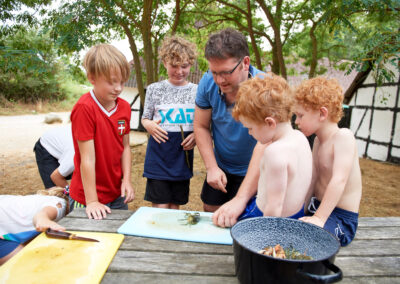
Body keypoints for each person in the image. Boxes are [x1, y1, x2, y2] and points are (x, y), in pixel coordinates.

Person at [194, 28, 265, 214]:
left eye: (226, 72)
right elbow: (201, 126)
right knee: (211, 211)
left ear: (245, 63)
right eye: (214, 72)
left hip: (257, 169)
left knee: (248, 220)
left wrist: (242, 196)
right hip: (222, 165)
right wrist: (211, 168)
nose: (219, 80)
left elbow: (268, 143)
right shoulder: (207, 82)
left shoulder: (266, 89)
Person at [230, 74, 312, 221]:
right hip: (296, 216)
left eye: (250, 128)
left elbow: (274, 207)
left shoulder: (275, 152)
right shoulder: (301, 138)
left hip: (266, 218)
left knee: (226, 220)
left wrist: (266, 239)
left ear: (270, 123)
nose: (249, 133)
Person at [293, 77, 362, 246]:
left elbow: (339, 180)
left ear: (322, 114)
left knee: (308, 238)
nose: (296, 122)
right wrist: (300, 209)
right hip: (317, 208)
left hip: (340, 217)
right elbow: (313, 179)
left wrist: (319, 218)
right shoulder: (317, 141)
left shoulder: (343, 137)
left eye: (300, 115)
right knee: (287, 226)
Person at [69, 44, 135, 220]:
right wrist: (91, 201)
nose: (118, 88)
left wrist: (126, 180)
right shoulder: (85, 108)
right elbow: (87, 159)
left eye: (122, 82)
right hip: (87, 197)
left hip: (116, 194)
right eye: (111, 82)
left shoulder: (124, 108)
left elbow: (125, 147)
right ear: (92, 77)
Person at [141, 36, 198, 209]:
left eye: (185, 66)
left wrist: (196, 135)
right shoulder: (154, 89)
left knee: (174, 209)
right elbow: (145, 118)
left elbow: (203, 124)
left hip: (182, 160)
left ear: (191, 64)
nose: (179, 71)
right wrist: (148, 124)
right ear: (165, 62)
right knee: (160, 209)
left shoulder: (198, 91)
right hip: (158, 158)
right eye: (174, 66)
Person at [0, 187, 68, 265]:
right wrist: (43, 220)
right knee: (26, 265)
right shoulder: (61, 204)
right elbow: (41, 216)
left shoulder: (39, 200)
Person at [33, 125, 74, 189]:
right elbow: (56, 177)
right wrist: (70, 196)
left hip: (63, 144)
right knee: (55, 191)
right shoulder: (74, 156)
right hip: (46, 146)